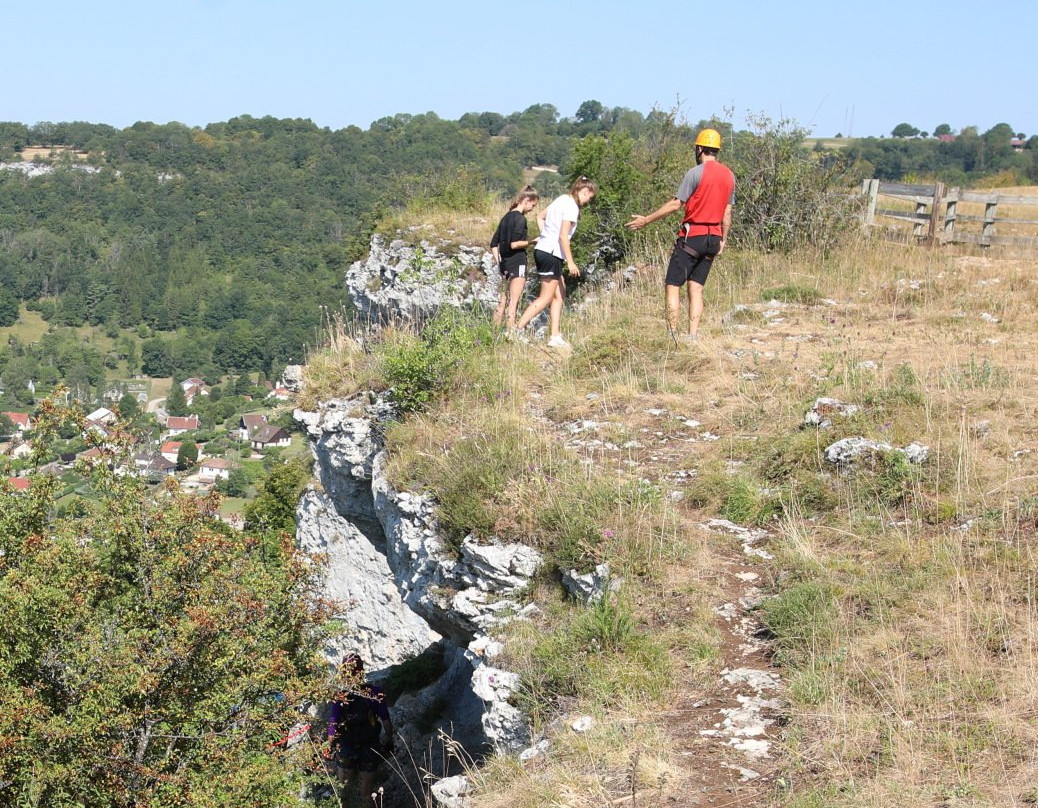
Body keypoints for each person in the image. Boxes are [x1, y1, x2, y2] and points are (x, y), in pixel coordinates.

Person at [626, 128, 735, 342]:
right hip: (713, 237)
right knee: (696, 288)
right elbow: (727, 212)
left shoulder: (695, 173)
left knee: (673, 284)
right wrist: (723, 239)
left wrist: (646, 219)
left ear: (700, 148)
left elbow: (676, 204)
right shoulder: (730, 175)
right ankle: (692, 335)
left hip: (692, 235)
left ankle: (672, 335)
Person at [514, 177, 596, 348]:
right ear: (584, 192)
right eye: (589, 197)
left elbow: (540, 216)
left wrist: (545, 236)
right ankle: (516, 329)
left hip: (545, 250)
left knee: (560, 293)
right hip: (552, 253)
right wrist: (571, 262)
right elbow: (563, 236)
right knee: (546, 297)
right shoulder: (572, 207)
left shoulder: (561, 199)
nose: (588, 201)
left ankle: (555, 336)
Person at [327, 654, 394, 807]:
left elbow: (333, 725)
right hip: (369, 745)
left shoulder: (340, 697)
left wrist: (330, 746)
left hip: (346, 744)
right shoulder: (374, 693)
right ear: (362, 673)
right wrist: (390, 741)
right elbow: (386, 721)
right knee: (367, 792)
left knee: (343, 790)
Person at [490, 186, 539, 329]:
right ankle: (510, 334)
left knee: (502, 300)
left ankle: (493, 333)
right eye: (533, 205)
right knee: (513, 301)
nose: (532, 208)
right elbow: (514, 244)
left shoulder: (505, 217)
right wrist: (531, 242)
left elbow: (494, 244)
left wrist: (499, 262)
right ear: (526, 200)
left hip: (505, 264)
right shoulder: (520, 219)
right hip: (518, 262)